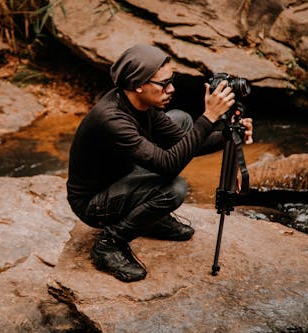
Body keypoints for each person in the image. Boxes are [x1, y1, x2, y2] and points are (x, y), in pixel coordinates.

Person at [66, 44, 253, 282]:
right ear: (138, 85)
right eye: (164, 84)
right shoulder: (111, 119)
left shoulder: (141, 104)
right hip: (94, 203)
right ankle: (109, 243)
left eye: (171, 80)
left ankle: (149, 219)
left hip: (123, 175)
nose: (171, 89)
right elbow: (168, 165)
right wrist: (209, 118)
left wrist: (230, 134)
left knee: (182, 121)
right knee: (174, 190)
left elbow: (185, 142)